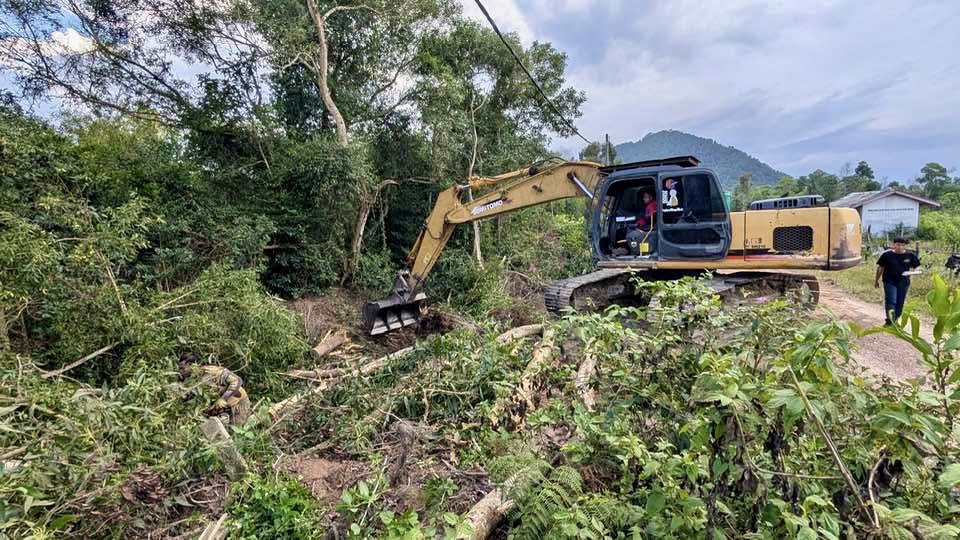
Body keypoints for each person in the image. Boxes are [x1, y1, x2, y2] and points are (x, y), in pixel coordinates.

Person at [178, 352, 251, 425]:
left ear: (191, 365)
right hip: (221, 409)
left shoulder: (211, 371)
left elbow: (236, 380)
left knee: (236, 429)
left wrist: (223, 398)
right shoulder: (192, 380)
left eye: (182, 368)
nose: (180, 371)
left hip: (237, 403)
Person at [874, 237, 921, 325]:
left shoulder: (910, 256)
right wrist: (876, 280)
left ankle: (895, 320)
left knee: (900, 302)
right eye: (898, 245)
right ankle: (889, 321)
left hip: (904, 282)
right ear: (894, 245)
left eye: (902, 245)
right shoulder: (887, 255)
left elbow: (917, 266)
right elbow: (880, 268)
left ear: (905, 246)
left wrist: (913, 272)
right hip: (889, 281)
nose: (900, 247)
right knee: (891, 300)